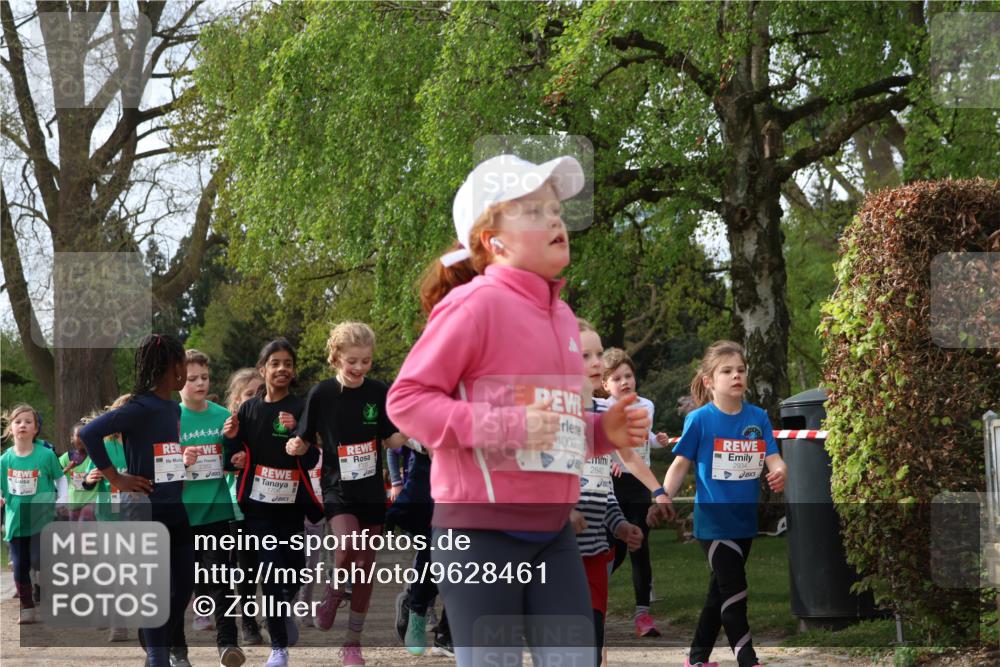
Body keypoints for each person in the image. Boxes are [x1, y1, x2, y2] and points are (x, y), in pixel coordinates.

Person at [387, 154, 652, 667]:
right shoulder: (475, 305)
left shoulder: (563, 317)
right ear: (493, 241)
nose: (555, 219)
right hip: (478, 535)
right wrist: (505, 426)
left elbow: (553, 425)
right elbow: (406, 402)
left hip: (554, 534)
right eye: (533, 211)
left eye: (555, 208)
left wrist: (603, 430)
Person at [649, 340, 788, 667]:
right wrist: (662, 495)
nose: (736, 375)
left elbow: (774, 459)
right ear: (710, 380)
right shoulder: (699, 420)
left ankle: (697, 658)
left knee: (720, 591)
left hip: (744, 521)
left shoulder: (757, 417)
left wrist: (781, 472)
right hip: (712, 521)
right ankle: (747, 658)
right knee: (735, 588)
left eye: (741, 370)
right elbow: (680, 464)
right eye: (727, 371)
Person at [289, 321, 407, 666]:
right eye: (352, 361)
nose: (358, 368)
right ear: (336, 357)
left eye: (366, 361)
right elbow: (305, 436)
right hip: (337, 485)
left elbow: (391, 438)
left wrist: (418, 437)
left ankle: (352, 642)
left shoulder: (377, 392)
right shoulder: (322, 393)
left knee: (366, 566)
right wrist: (297, 444)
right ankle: (333, 591)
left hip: (371, 489)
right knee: (346, 546)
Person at [79, 333, 193, 667]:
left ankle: (153, 641)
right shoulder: (139, 407)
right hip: (144, 512)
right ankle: (157, 656)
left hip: (175, 508)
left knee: (184, 586)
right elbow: (89, 433)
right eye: (183, 363)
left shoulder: (173, 407)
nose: (185, 370)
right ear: (171, 367)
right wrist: (115, 477)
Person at [224, 338, 322, 667]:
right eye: (275, 363)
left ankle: (282, 606)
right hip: (257, 510)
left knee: (293, 573)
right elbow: (231, 458)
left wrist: (303, 445)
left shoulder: (301, 407)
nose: (282, 369)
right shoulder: (249, 409)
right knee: (273, 574)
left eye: (288, 364)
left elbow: (313, 459)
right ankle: (279, 648)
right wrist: (230, 438)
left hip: (292, 510)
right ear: (263, 369)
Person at [574, 320, 649, 666]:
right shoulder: (542, 414)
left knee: (591, 646)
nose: (595, 362)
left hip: (595, 552)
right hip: (550, 554)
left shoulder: (607, 416)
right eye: (583, 353)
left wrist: (618, 525)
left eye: (598, 354)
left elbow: (601, 486)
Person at [172, 349, 243, 667]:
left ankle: (228, 644)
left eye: (204, 377)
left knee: (221, 580)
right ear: (177, 381)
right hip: (181, 514)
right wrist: (179, 462)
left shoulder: (221, 415)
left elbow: (232, 464)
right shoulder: (170, 418)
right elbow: (158, 469)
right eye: (192, 379)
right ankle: (177, 650)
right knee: (179, 586)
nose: (200, 383)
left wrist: (232, 445)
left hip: (216, 511)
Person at [602, 346, 671, 636]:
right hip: (613, 485)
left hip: (640, 484)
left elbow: (642, 439)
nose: (625, 382)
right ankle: (592, 603)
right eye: (617, 378)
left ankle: (643, 616)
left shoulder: (648, 406)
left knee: (640, 548)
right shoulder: (603, 410)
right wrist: (610, 462)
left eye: (628, 375)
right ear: (605, 385)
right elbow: (600, 443)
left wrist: (658, 441)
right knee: (611, 550)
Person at [0, 404, 62, 625]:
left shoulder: (46, 455)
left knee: (39, 559)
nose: (22, 425)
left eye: (28, 421)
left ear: (36, 428)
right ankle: (27, 607)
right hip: (16, 520)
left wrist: (61, 502)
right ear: (11, 428)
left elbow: (60, 480)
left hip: (42, 518)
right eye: (18, 422)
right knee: (19, 566)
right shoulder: (5, 460)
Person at [81, 395, 132, 643]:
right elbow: (86, 478)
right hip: (108, 517)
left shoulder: (142, 443)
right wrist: (89, 478)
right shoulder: (104, 444)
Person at [224, 368, 265, 646]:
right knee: (245, 567)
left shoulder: (269, 422)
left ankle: (275, 615)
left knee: (274, 565)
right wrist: (232, 459)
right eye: (249, 394)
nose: (255, 398)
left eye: (260, 393)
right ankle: (248, 623)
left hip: (268, 503)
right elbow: (219, 459)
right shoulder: (227, 425)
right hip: (234, 506)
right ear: (236, 400)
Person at [60, 420, 97, 522]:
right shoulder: (66, 458)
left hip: (92, 503)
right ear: (72, 438)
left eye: (86, 435)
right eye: (80, 435)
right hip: (73, 504)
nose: (84, 438)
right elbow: (55, 476)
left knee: (84, 526)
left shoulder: (96, 456)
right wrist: (67, 468)